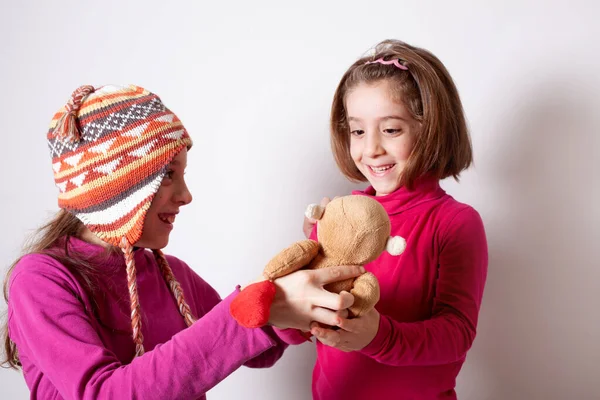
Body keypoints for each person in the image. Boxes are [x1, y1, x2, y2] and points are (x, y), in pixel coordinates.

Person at [1, 84, 362, 399]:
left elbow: (257, 350)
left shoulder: (171, 274)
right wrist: (256, 306)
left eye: (182, 175)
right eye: (169, 175)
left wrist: (297, 290)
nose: (186, 195)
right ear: (119, 187)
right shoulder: (41, 279)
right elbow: (104, 393)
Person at [279, 39, 489, 399]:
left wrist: (380, 336)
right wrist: (291, 304)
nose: (371, 148)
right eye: (358, 131)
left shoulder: (455, 223)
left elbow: (456, 335)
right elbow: (302, 324)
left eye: (390, 130)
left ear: (430, 128)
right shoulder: (340, 216)